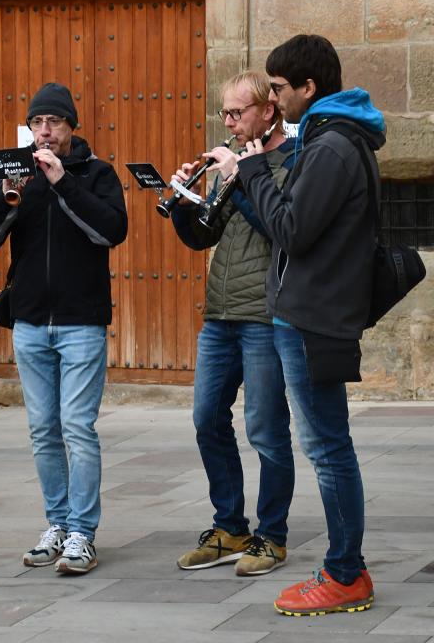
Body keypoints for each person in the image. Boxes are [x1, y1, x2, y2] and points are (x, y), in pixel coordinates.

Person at [231, 34, 383, 615]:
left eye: (278, 88)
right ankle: (346, 570)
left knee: (326, 447)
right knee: (327, 443)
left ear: (308, 89)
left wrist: (251, 172)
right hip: (312, 311)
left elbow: (291, 231)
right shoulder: (326, 141)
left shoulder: (332, 147)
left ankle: (345, 574)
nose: (274, 99)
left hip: (314, 318)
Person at [0, 82, 127, 575]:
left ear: (71, 128)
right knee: (43, 431)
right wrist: (5, 199)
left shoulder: (97, 174)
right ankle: (56, 524)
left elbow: (110, 231)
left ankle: (82, 532)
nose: (45, 131)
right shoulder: (19, 175)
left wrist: (63, 184)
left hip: (81, 323)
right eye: (37, 122)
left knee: (77, 428)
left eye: (54, 122)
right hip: (31, 323)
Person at [170, 71, 295, 577]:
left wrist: (242, 177)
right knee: (206, 420)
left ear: (268, 110)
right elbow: (203, 237)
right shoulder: (238, 162)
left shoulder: (293, 163)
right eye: (224, 113)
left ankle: (272, 536)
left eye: (236, 112)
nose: (228, 122)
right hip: (220, 314)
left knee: (266, 429)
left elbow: (280, 228)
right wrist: (182, 202)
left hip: (265, 316)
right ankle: (230, 526)